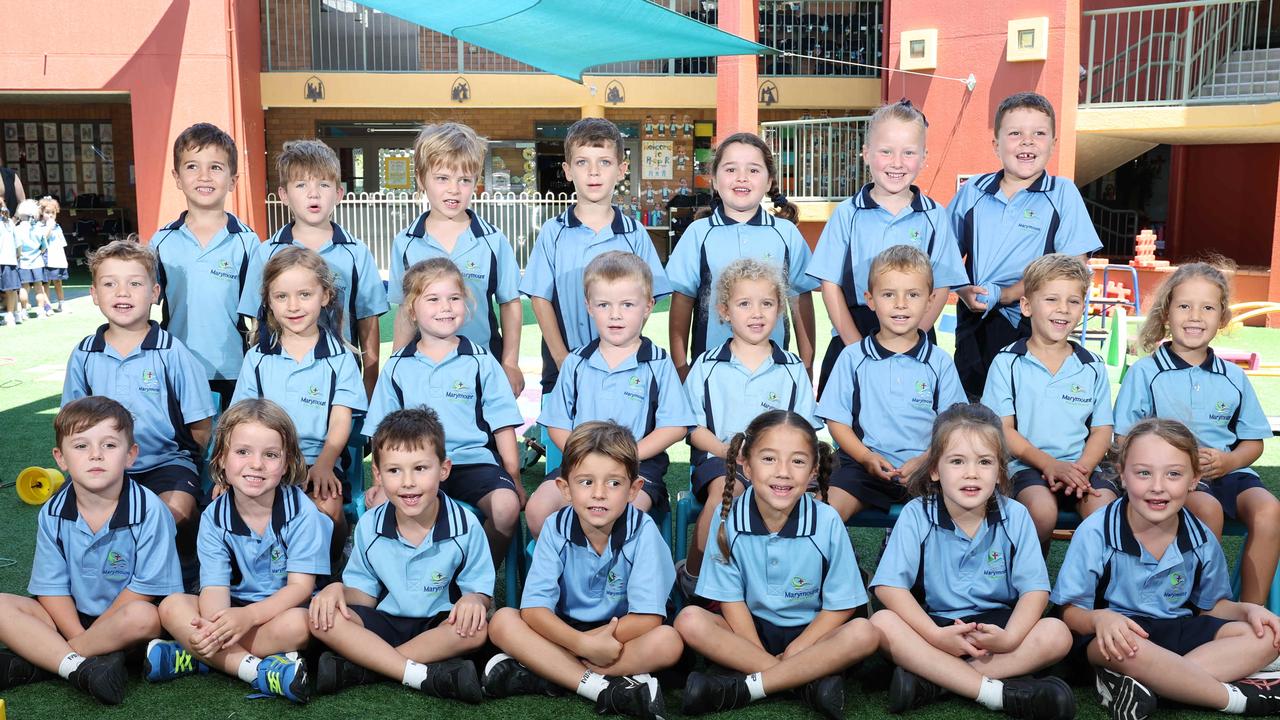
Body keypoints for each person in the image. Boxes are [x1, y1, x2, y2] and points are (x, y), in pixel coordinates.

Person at [1052, 418, 1280, 720]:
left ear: (1194, 479)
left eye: (1173, 474)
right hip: (1115, 639)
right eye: (1143, 473)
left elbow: (1213, 608)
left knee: (1266, 636)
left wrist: (1248, 611)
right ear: (1122, 474)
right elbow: (1068, 612)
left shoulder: (1200, 538)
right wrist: (1099, 619)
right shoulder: (1096, 531)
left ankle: (1147, 686)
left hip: (1177, 631)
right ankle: (1236, 699)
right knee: (1132, 648)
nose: (1157, 487)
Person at [869, 403, 1075, 719]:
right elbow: (889, 587)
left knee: (1057, 633)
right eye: (957, 461)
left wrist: (1010, 638)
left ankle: (933, 681)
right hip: (935, 629)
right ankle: (996, 693)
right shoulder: (917, 513)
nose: (971, 473)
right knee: (881, 624)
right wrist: (935, 636)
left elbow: (1035, 590)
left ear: (1000, 470)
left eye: (984, 462)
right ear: (935, 469)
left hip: (997, 631)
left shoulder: (1016, 515)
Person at [674, 410, 879, 719]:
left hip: (813, 635)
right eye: (769, 459)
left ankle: (744, 687)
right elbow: (730, 600)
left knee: (865, 632)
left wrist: (798, 650)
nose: (783, 472)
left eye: (797, 461)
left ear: (813, 470)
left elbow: (840, 606)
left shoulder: (827, 520)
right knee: (689, 620)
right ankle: (804, 683)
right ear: (745, 463)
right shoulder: (727, 516)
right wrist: (758, 653)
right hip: (749, 632)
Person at [486, 421, 683, 720]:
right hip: (567, 632)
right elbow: (535, 610)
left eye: (614, 483)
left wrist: (599, 642)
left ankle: (552, 671)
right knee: (502, 621)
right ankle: (604, 689)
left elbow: (648, 618)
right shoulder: (555, 527)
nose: (599, 494)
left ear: (634, 490)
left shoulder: (643, 532)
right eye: (586, 482)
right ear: (565, 488)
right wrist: (583, 644)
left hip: (623, 634)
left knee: (668, 643)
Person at [1114, 261, 1280, 605]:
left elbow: (1253, 442)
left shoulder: (1233, 377)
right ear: (1166, 313)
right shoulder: (1146, 373)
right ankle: (1201, 608)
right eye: (1185, 306)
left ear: (1222, 317)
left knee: (1270, 511)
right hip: (1172, 480)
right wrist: (1170, 465)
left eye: (1207, 307)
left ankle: (1252, 614)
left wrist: (1229, 460)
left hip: (1228, 473)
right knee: (1208, 509)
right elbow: (1122, 440)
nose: (1195, 316)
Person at [0, 397, 183, 705]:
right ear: (61, 458)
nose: (96, 455)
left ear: (130, 455)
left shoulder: (151, 510)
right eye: (81, 446)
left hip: (125, 625)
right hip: (71, 617)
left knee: (144, 617)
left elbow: (144, 590)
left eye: (110, 446)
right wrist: (77, 633)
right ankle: (82, 666)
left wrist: (81, 640)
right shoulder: (53, 512)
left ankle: (48, 661)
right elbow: (51, 588)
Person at [145, 399, 328, 703]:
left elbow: (300, 589)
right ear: (221, 459)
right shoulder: (214, 517)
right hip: (230, 611)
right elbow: (214, 595)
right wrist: (221, 622)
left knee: (303, 625)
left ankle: (198, 656)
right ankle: (258, 670)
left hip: (280, 610)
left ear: (286, 463)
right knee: (171, 606)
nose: (256, 464)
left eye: (270, 455)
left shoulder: (302, 512)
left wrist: (246, 619)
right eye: (243, 452)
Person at [308, 407, 492, 703]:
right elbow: (362, 598)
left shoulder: (465, 526)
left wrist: (474, 599)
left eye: (420, 468)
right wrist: (335, 590)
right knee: (323, 619)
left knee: (476, 631)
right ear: (378, 475)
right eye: (395, 470)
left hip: (438, 627)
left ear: (443, 469)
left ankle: (367, 668)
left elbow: (479, 594)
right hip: (383, 623)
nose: (408, 482)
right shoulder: (371, 524)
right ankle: (420, 674)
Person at [364, 258, 523, 566]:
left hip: (471, 463)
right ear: (412, 309)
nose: (446, 307)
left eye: (454, 298)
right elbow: (380, 433)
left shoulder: (481, 361)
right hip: (416, 467)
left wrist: (513, 475)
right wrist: (381, 480)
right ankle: (408, 584)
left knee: (506, 508)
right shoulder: (397, 366)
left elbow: (503, 424)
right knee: (380, 505)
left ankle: (477, 582)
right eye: (433, 299)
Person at [677, 257, 820, 599]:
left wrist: (775, 461)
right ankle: (693, 577)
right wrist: (729, 452)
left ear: (780, 310)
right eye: (745, 304)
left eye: (767, 304)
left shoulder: (792, 368)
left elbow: (805, 432)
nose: (757, 313)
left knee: (813, 501)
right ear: (724, 311)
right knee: (725, 496)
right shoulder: (707, 365)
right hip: (721, 460)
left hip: (779, 465)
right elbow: (692, 427)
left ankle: (802, 580)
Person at [526, 251, 693, 537]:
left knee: (621, 515)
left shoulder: (658, 363)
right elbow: (557, 424)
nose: (615, 314)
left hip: (636, 470)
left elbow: (675, 426)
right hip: (581, 467)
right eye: (604, 304)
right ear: (589, 307)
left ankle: (617, 581)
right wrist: (588, 457)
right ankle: (568, 573)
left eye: (627, 304)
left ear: (648, 306)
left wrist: (624, 456)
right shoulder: (576, 362)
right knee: (538, 509)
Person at [806, 100, 967, 396]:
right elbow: (830, 285)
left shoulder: (934, 217)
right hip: (854, 334)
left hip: (915, 339)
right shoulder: (846, 214)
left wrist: (913, 341)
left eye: (908, 152)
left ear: (923, 157)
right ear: (867, 153)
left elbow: (941, 287)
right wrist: (857, 349)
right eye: (886, 151)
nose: (897, 162)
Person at [948, 92, 1101, 399]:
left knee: (1026, 411)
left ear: (1053, 145)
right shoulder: (973, 191)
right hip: (976, 324)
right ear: (996, 144)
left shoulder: (1062, 194)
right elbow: (943, 255)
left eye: (1039, 133)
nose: (1027, 142)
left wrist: (1007, 294)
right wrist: (964, 291)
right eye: (1015, 133)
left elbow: (1072, 271)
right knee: (974, 411)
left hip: (1034, 326)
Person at [62, 240, 214, 534]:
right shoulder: (84, 354)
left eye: (134, 283)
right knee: (76, 517)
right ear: (94, 294)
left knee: (176, 513)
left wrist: (188, 460)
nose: (122, 292)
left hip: (166, 463)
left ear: (154, 293)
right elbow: (72, 424)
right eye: (109, 284)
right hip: (103, 463)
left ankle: (185, 570)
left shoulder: (173, 353)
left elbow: (201, 426)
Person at [231, 246, 366, 563]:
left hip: (318, 461)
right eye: (281, 297)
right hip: (264, 462)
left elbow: (340, 420)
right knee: (235, 506)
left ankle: (328, 569)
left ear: (325, 296)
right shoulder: (258, 359)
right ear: (268, 301)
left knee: (329, 509)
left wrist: (324, 463)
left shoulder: (340, 359)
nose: (293, 306)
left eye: (304, 294)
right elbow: (239, 421)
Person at [520, 117, 671, 393]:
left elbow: (648, 297)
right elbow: (540, 298)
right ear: (567, 171)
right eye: (582, 162)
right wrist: (562, 359)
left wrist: (622, 345)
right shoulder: (553, 233)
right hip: (562, 370)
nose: (593, 172)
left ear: (621, 169)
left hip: (623, 369)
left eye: (604, 162)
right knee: (565, 436)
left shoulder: (634, 234)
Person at [817, 245, 966, 522]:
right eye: (888, 295)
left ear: (931, 301)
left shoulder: (939, 362)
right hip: (863, 466)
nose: (901, 304)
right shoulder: (853, 357)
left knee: (959, 509)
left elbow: (954, 427)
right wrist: (865, 457)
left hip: (926, 467)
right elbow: (836, 421)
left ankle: (909, 556)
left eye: (913, 295)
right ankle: (845, 563)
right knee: (822, 514)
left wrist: (926, 460)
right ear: (870, 299)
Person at [981, 254, 1116, 546]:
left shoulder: (1091, 366)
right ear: (1027, 306)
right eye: (1052, 300)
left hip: (1082, 467)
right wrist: (1050, 465)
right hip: (1025, 467)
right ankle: (1031, 586)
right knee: (1040, 512)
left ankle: (1086, 590)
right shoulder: (1007, 362)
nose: (1063, 310)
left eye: (1073, 301)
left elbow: (1102, 430)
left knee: (1104, 512)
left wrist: (1081, 469)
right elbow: (1002, 431)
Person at [239, 140, 388, 397]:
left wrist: (370, 381)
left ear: (339, 194)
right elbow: (257, 320)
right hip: (279, 382)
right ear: (284, 195)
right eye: (301, 185)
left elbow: (368, 319)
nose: (313, 193)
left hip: (340, 381)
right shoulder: (266, 252)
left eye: (323, 184)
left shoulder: (356, 253)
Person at [665, 131, 817, 380]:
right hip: (710, 375)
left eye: (754, 170)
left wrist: (807, 367)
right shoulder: (698, 234)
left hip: (774, 374)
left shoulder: (786, 233)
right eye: (731, 169)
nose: (742, 178)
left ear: (769, 181)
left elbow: (800, 300)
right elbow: (682, 302)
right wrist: (682, 369)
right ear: (714, 179)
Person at [389, 121, 523, 394]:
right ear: (420, 179)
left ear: (476, 182)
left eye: (464, 180)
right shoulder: (405, 244)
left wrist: (509, 362)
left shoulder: (493, 241)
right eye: (442, 178)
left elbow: (510, 303)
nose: (454, 189)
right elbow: (405, 311)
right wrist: (395, 364)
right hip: (423, 371)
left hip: (482, 369)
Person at [150, 123, 261, 407]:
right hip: (175, 364)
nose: (204, 176)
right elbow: (143, 308)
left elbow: (260, 316)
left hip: (233, 369)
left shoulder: (247, 242)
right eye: (192, 167)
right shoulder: (161, 242)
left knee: (229, 447)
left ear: (233, 180)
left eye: (215, 167)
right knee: (184, 447)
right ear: (176, 177)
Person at [13, 198, 48, 318]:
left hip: (23, 262)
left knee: (24, 288)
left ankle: (23, 311)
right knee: (39, 288)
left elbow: (17, 248)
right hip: (38, 262)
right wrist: (38, 252)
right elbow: (44, 247)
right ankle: (41, 310)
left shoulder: (17, 229)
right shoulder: (39, 228)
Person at [36, 196, 68, 313]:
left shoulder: (57, 227)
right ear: (41, 212)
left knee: (58, 281)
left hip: (57, 258)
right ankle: (47, 305)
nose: (50, 215)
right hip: (46, 258)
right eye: (47, 212)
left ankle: (61, 303)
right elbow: (43, 240)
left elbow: (61, 244)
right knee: (46, 283)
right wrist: (49, 227)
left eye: (53, 213)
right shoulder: (39, 226)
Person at [0, 206, 19, 325]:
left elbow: (17, 242)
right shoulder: (9, 222)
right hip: (9, 260)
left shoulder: (8, 222)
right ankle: (11, 315)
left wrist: (18, 256)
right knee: (9, 290)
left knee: (10, 289)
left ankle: (11, 315)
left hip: (7, 260)